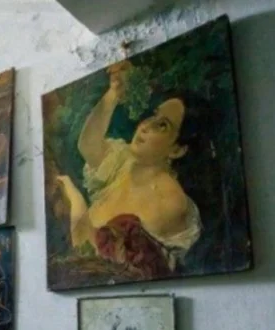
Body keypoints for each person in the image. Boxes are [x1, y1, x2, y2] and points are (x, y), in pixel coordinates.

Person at [57, 61, 203, 276]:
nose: (145, 126)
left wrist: (74, 198)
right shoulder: (124, 162)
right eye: (153, 116)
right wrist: (114, 92)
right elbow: (88, 145)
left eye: (162, 125)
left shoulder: (169, 201)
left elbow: (96, 255)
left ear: (177, 150)